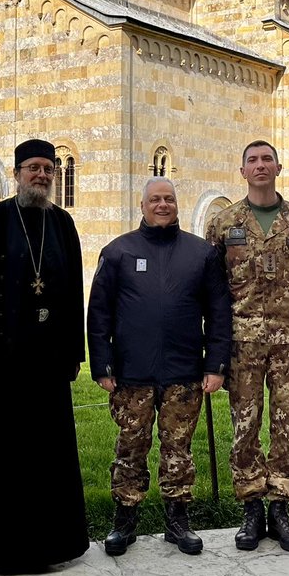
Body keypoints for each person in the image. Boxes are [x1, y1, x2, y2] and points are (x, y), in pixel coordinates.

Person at [0, 138, 89, 573]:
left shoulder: (63, 224)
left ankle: (52, 544)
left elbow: (72, 294)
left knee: (47, 456)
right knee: (3, 454)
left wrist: (75, 352)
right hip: (1, 360)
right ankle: (1, 546)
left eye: (48, 169)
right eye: (33, 168)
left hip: (49, 362)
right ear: (16, 174)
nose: (42, 175)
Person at [87, 177, 232, 556]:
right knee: (130, 448)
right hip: (131, 373)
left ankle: (178, 521)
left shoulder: (201, 254)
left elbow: (219, 314)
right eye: (155, 199)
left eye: (169, 198)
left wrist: (216, 364)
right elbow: (98, 313)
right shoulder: (118, 252)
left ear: (177, 205)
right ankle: (124, 521)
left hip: (184, 373)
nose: (162, 204)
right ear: (142, 205)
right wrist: (102, 365)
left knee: (178, 450)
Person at [205, 140, 289, 554]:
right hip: (243, 345)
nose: (260, 166)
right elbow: (214, 286)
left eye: (266, 159)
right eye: (252, 160)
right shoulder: (224, 223)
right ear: (242, 171)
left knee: (287, 428)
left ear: (278, 167)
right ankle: (252, 508)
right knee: (246, 428)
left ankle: (281, 508)